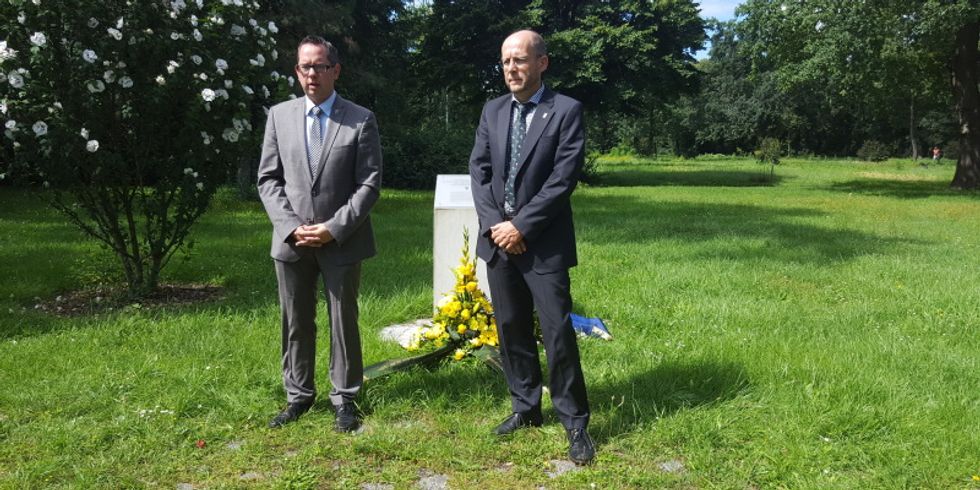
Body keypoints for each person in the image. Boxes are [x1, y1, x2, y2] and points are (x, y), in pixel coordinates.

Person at [468, 30, 594, 465]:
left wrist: (521, 225)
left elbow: (563, 178)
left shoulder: (566, 111)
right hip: (500, 242)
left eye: (519, 60)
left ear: (542, 62)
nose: (511, 69)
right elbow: (479, 172)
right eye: (505, 62)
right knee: (511, 328)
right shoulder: (493, 110)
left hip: (543, 244)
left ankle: (575, 422)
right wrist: (496, 226)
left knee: (558, 331)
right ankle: (525, 408)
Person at [257, 35, 382, 432]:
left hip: (341, 239)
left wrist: (332, 228)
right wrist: (293, 227)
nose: (312, 74)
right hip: (292, 241)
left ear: (335, 70)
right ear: (297, 71)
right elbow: (268, 179)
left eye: (319, 66)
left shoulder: (360, 119)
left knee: (342, 319)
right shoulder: (279, 116)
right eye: (304, 67)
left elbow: (369, 184)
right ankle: (298, 396)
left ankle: (345, 398)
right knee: (295, 320)